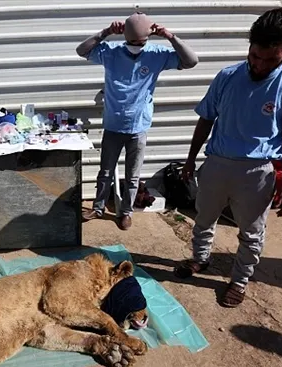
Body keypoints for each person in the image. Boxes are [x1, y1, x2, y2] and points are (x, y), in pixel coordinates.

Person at [175, 7, 282, 307]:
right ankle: (199, 259)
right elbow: (206, 118)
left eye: (270, 59)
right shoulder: (227, 76)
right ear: (250, 46)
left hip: (258, 170)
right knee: (203, 218)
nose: (260, 65)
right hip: (216, 163)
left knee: (251, 232)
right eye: (255, 56)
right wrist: (191, 159)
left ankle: (239, 280)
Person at [76, 12, 198, 231]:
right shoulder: (111, 52)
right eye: (132, 42)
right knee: (105, 172)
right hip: (113, 125)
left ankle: (126, 212)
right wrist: (105, 32)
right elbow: (81, 50)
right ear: (124, 37)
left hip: (138, 126)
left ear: (148, 39)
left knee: (133, 176)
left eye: (140, 42)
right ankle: (98, 207)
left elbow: (191, 61)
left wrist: (170, 36)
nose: (136, 46)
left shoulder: (157, 54)